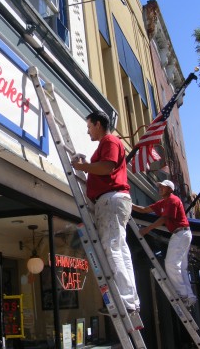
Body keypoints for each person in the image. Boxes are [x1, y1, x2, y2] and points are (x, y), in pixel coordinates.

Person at [71, 110, 140, 314]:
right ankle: (131, 300)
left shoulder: (109, 141)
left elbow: (107, 167)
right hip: (115, 200)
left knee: (112, 248)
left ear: (98, 124)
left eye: (89, 126)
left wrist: (84, 166)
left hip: (110, 200)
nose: (88, 131)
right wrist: (87, 166)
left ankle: (125, 302)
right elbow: (103, 167)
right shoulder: (108, 143)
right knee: (121, 249)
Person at [132, 180, 197, 308]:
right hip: (182, 234)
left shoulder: (173, 200)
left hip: (180, 233)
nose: (160, 188)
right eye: (160, 187)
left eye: (163, 187)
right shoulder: (163, 202)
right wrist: (129, 203)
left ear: (170, 189)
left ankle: (183, 295)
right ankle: (189, 297)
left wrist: (147, 229)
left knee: (171, 264)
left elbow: (164, 218)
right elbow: (144, 210)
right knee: (181, 267)